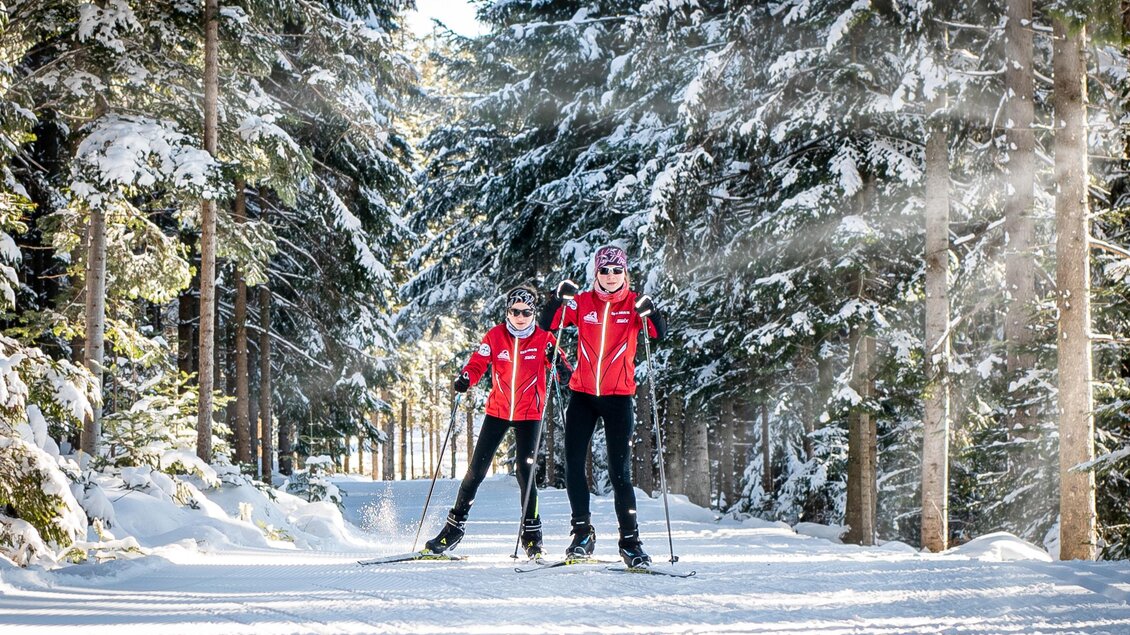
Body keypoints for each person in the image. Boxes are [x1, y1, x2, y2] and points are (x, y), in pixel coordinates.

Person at [538, 245, 667, 567]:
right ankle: (582, 534)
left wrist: (652, 311)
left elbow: (658, 333)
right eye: (604, 271)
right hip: (583, 395)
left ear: (625, 273)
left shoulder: (633, 304)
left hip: (618, 397)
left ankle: (631, 542)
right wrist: (558, 298)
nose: (610, 276)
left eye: (616, 270)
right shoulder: (583, 303)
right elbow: (547, 325)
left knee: (619, 472)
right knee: (574, 465)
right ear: (596, 273)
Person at [425, 285, 571, 559]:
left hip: (530, 414)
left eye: (526, 312)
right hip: (498, 412)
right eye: (515, 311)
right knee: (476, 471)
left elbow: (565, 375)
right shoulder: (495, 336)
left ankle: (532, 537)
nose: (520, 317)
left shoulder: (544, 339)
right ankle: (453, 530)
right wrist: (467, 377)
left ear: (533, 313)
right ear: (508, 311)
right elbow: (478, 362)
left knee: (525, 473)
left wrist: (559, 365)